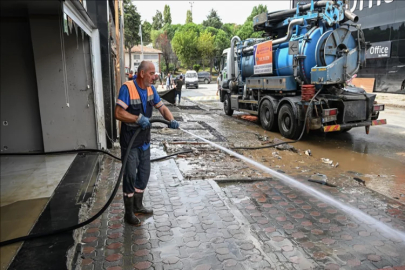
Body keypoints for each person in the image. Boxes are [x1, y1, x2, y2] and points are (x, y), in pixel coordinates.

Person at [115, 61, 180, 225]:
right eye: (152, 73)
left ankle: (138, 206)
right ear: (142, 73)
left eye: (154, 73)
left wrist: (171, 120)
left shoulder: (151, 90)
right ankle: (128, 214)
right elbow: (118, 112)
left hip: (144, 141)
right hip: (130, 141)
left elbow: (162, 108)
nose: (154, 76)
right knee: (130, 176)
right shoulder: (127, 88)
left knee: (143, 175)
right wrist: (136, 118)